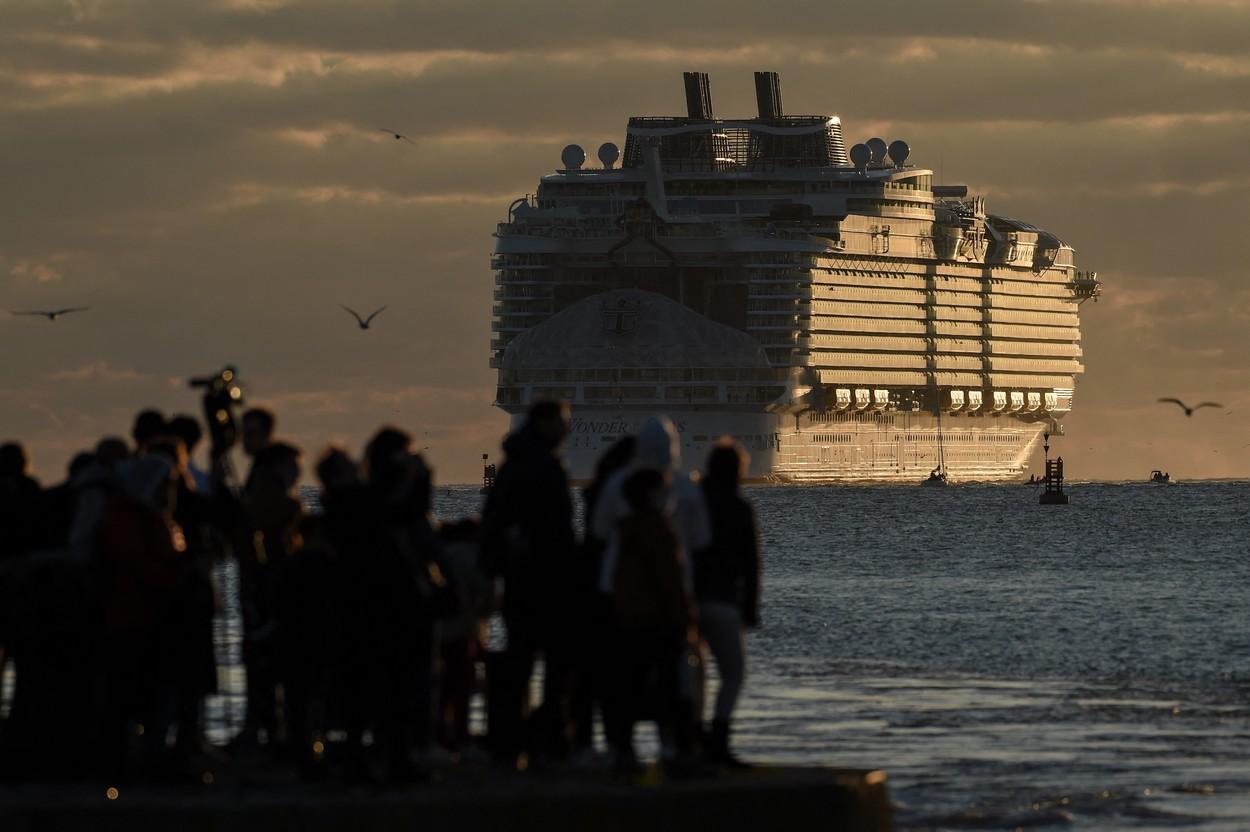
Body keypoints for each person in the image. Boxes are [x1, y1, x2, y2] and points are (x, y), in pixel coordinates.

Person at [480, 401, 577, 766]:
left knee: (519, 660)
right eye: (563, 421)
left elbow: (493, 523)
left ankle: (509, 739)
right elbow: (558, 532)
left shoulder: (512, 466)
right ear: (546, 423)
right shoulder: (545, 467)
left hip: (518, 581)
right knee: (556, 663)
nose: (567, 428)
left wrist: (492, 570)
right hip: (547, 582)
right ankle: (549, 738)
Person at [606, 468, 696, 775]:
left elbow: (609, 579)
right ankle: (675, 748)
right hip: (660, 622)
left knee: (628, 686)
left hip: (627, 621)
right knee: (671, 686)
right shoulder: (659, 529)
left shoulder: (621, 530)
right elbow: (670, 578)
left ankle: (622, 749)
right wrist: (684, 615)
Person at [694, 441, 760, 767]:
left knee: (694, 672)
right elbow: (751, 563)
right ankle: (718, 741)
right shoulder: (738, 507)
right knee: (733, 674)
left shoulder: (692, 502)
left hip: (690, 601)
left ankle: (689, 740)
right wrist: (750, 606)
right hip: (723, 601)